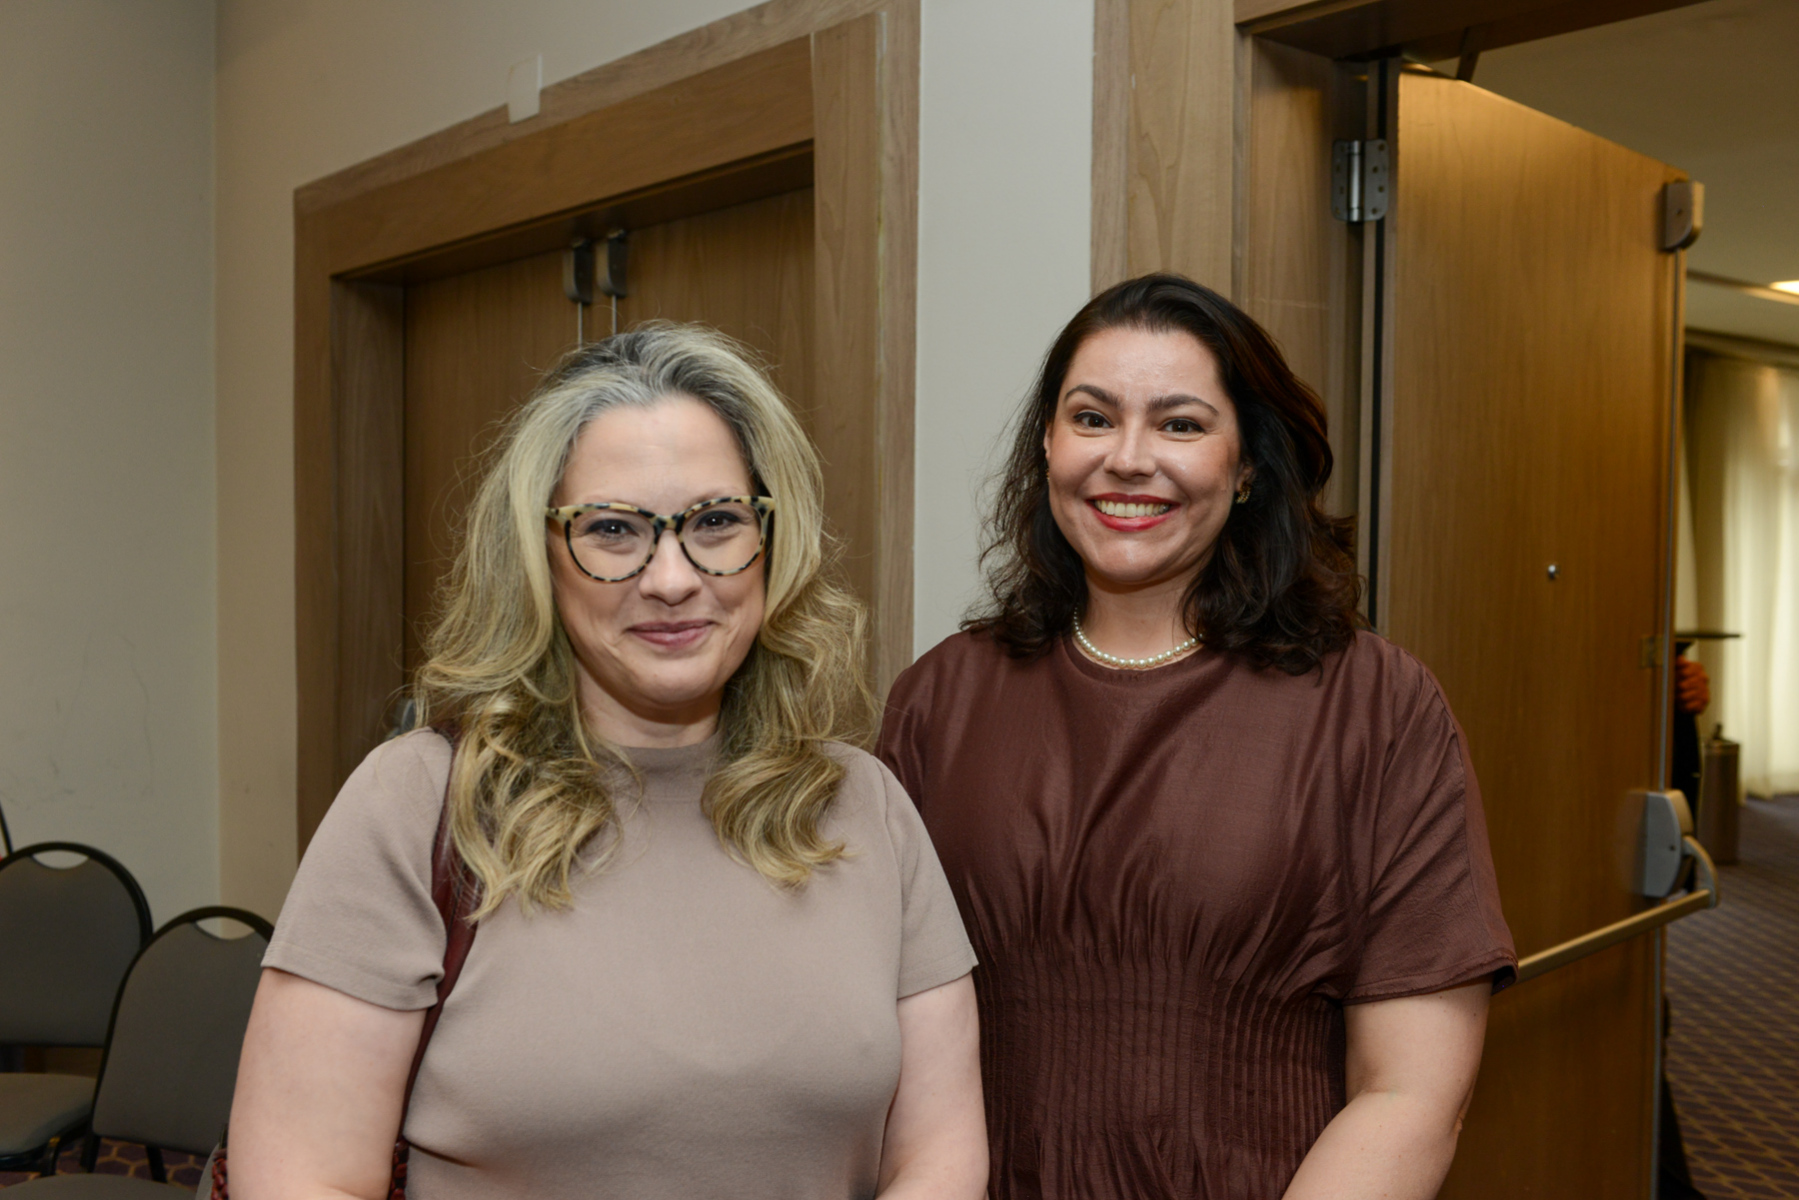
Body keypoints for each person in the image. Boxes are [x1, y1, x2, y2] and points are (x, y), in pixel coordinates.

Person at [230, 324, 985, 1199]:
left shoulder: (863, 804)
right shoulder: (418, 804)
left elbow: (939, 1159)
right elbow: (299, 1178)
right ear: (539, 554)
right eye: (613, 530)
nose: (670, 578)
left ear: (773, 540)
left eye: (715, 521)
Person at [878, 275, 1516, 1199]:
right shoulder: (940, 698)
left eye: (1179, 424)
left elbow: (1411, 1095)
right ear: (1048, 444)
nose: (1127, 459)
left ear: (1246, 464)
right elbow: (875, 1035)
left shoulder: (1374, 707)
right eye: (1091, 418)